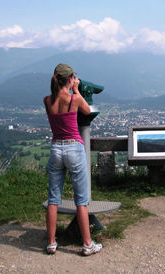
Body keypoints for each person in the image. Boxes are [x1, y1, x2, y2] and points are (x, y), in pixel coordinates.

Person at [43, 63, 102, 256]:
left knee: (53, 198)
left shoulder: (47, 100)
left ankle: (51, 243)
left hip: (56, 148)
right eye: (73, 78)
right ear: (69, 79)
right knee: (81, 200)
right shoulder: (74, 99)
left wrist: (69, 88)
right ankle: (87, 244)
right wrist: (76, 90)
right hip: (74, 148)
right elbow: (86, 111)